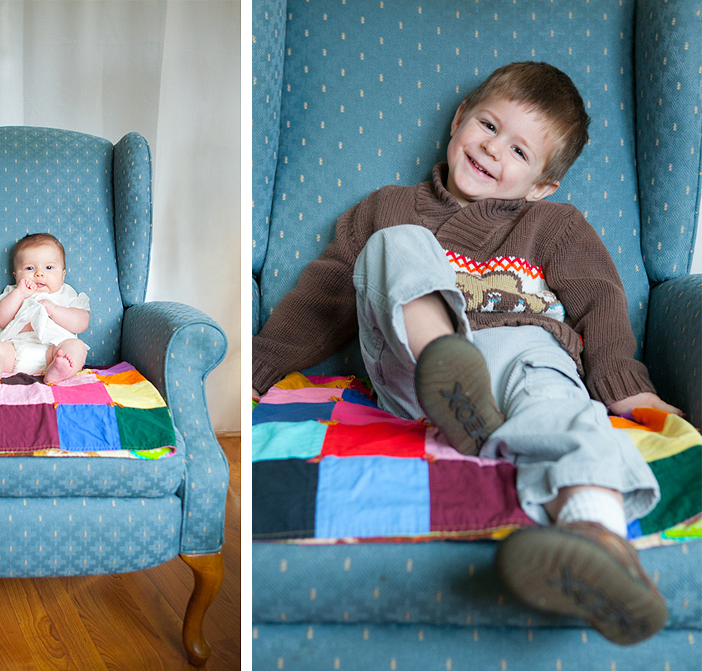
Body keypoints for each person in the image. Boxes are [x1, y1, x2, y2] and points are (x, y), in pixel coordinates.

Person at [252, 62, 682, 645]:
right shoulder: (386, 208)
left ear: (540, 186)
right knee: (394, 246)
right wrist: (259, 367)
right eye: (487, 124)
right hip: (413, 367)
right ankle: (449, 367)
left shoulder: (553, 224)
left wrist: (625, 385)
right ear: (458, 120)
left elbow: (600, 302)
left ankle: (598, 541)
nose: (491, 149)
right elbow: (324, 296)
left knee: (563, 400)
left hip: (521, 351)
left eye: (519, 151)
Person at [0, 232, 90, 384]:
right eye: (29, 268)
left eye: (49, 267)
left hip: (54, 351)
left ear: (63, 274)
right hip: (14, 351)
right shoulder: (14, 292)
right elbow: (0, 320)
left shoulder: (67, 294)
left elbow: (82, 322)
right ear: (16, 275)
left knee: (76, 346)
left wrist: (55, 310)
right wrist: (19, 293)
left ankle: (58, 371)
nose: (39, 274)